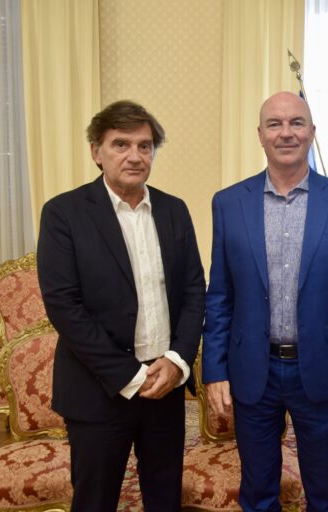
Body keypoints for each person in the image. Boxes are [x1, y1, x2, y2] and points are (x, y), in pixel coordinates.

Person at [202, 91, 328, 512]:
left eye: (296, 122)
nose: (286, 133)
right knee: (258, 490)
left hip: (320, 368)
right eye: (275, 124)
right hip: (252, 370)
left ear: (312, 132)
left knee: (322, 492)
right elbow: (220, 296)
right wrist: (214, 370)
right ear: (260, 134)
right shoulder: (228, 203)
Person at [36, 100, 206, 512]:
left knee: (164, 499)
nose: (135, 156)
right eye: (121, 145)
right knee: (95, 501)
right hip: (98, 391)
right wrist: (129, 375)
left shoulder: (174, 209)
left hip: (165, 386)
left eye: (145, 146)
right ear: (97, 152)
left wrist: (177, 360)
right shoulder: (64, 213)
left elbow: (194, 291)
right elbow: (64, 305)